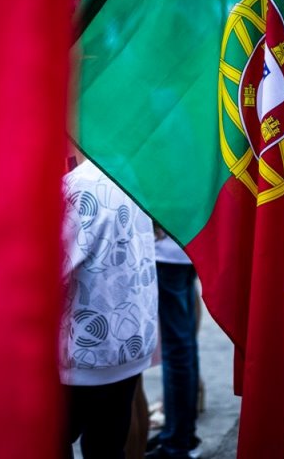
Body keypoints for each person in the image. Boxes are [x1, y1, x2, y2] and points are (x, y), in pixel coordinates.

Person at [61, 158, 159, 459]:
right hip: (128, 342)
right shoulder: (131, 171)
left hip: (85, 351)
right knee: (108, 446)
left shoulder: (79, 185)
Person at [145, 225, 201, 459]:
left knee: (177, 349)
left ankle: (177, 443)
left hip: (168, 250)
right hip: (185, 245)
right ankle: (181, 434)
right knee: (184, 345)